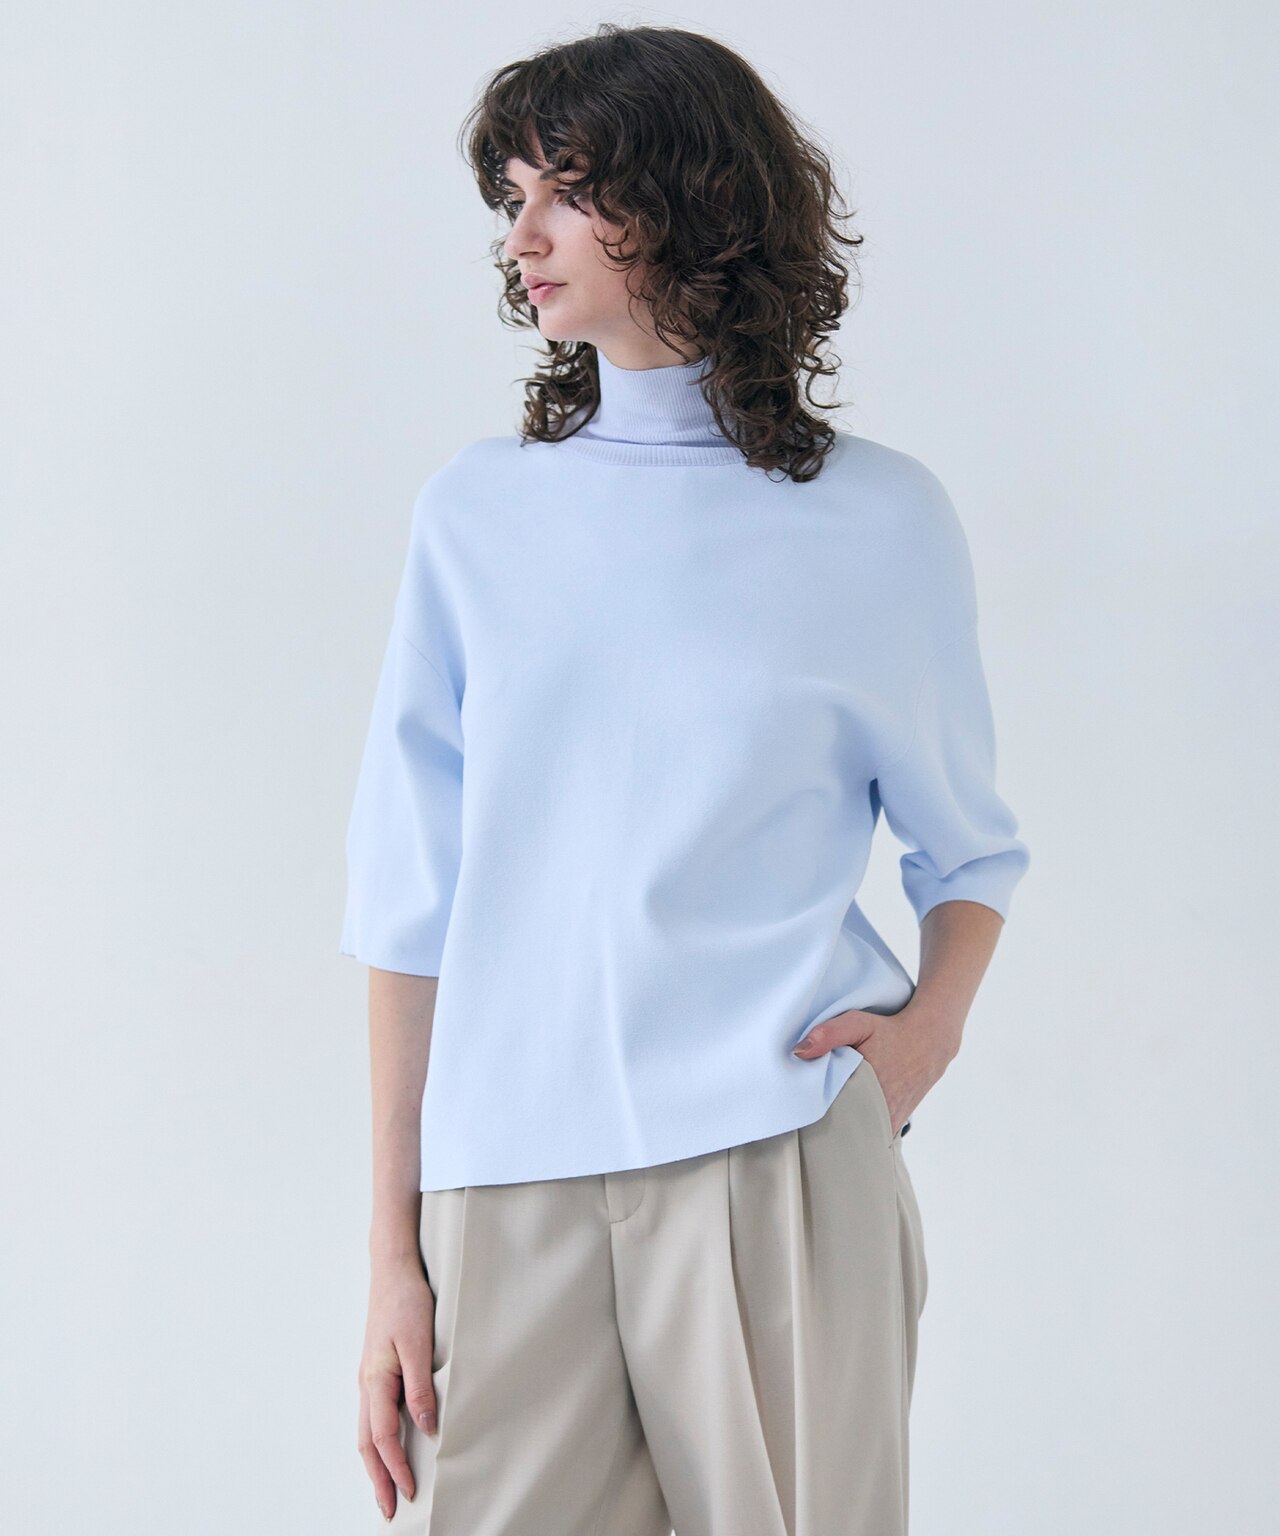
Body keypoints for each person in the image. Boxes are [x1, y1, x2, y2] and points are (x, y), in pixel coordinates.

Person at [342, 23, 1029, 1535]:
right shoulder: (476, 517)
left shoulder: (878, 521)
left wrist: (917, 1050)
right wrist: (393, 1255)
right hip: (505, 1178)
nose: (521, 237)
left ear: (690, 200)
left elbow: (968, 854)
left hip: (778, 1159)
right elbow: (407, 904)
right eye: (511, 197)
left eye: (567, 189)